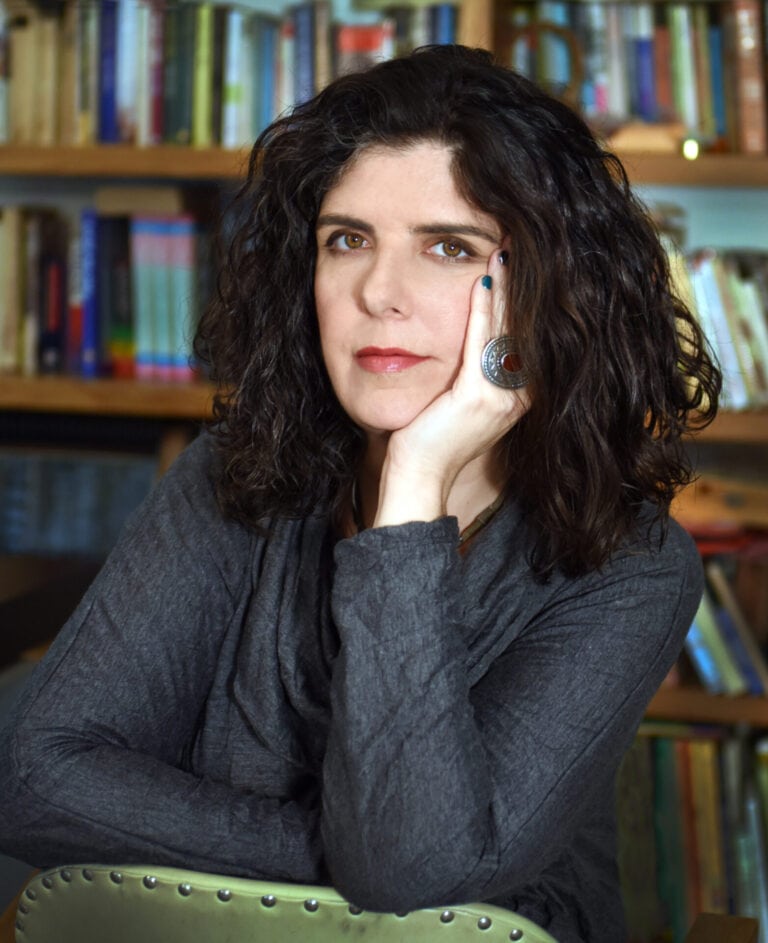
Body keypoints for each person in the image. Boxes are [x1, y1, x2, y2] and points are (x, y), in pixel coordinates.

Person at [0, 44, 720, 943]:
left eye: (449, 248)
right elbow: (35, 780)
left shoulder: (632, 561)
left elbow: (408, 872)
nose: (379, 292)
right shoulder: (233, 471)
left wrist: (414, 483)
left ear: (545, 291)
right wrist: (343, 851)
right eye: (347, 240)